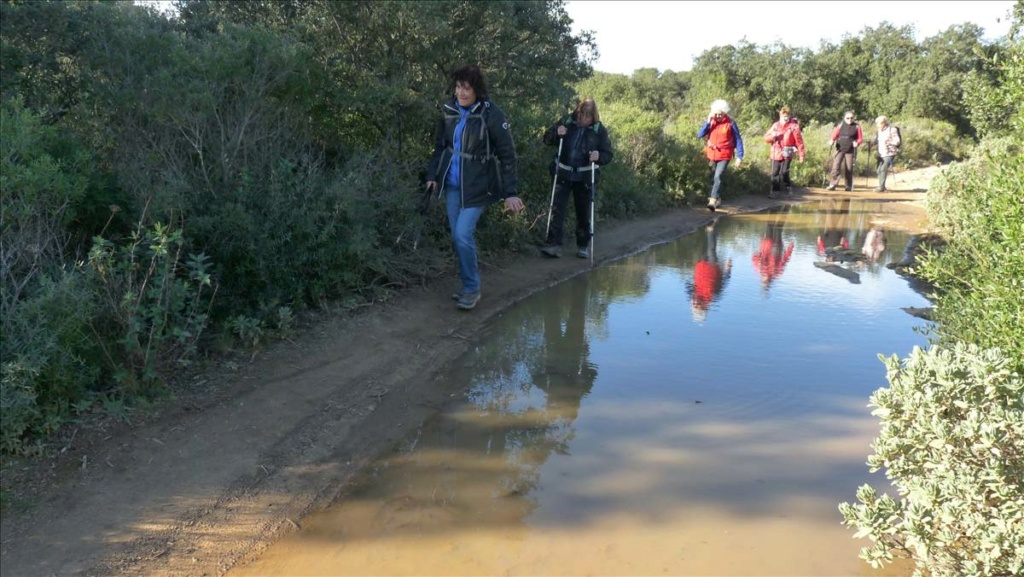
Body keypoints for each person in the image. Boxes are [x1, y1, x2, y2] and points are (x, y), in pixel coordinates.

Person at [426, 65, 524, 311]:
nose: (461, 92)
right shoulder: (449, 111)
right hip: (452, 185)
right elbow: (440, 148)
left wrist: (510, 192)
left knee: (462, 234)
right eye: (458, 87)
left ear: (477, 90)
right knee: (457, 237)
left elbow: (507, 155)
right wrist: (432, 176)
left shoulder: (492, 114)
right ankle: (468, 285)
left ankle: (471, 288)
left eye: (466, 88)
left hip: (479, 185)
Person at [541, 98, 613, 259]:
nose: (583, 118)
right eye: (581, 114)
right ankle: (553, 244)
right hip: (563, 173)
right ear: (578, 111)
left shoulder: (599, 130)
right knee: (556, 209)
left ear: (593, 115)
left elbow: (608, 154)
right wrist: (556, 133)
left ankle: (582, 245)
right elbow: (546, 138)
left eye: (587, 115)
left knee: (583, 212)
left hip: (585, 176)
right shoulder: (566, 121)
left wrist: (599, 155)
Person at [697, 99, 744, 211]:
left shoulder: (731, 123)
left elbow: (738, 140)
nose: (718, 116)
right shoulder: (711, 122)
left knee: (718, 176)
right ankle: (718, 199)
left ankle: (712, 200)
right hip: (711, 154)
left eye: (720, 114)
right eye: (716, 114)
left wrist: (740, 156)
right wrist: (708, 122)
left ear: (725, 113)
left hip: (725, 154)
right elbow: (700, 135)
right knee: (713, 177)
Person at [687, 219, 733, 324]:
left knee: (706, 248)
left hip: (701, 267)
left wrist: (692, 297)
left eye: (695, 307)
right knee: (711, 250)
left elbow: (687, 285)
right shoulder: (714, 296)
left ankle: (711, 228)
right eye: (699, 307)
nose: (697, 305)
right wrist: (728, 268)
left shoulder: (693, 296)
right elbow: (725, 281)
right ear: (705, 307)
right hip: (713, 268)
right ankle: (711, 229)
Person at [763, 106, 806, 198]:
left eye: (787, 116)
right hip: (776, 151)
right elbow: (766, 138)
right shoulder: (775, 125)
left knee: (784, 172)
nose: (785, 118)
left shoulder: (794, 127)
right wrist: (773, 136)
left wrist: (801, 155)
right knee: (774, 173)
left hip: (788, 152)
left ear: (790, 116)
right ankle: (775, 191)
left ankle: (788, 186)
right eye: (783, 116)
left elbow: (799, 141)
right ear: (780, 116)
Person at [752, 207, 794, 295]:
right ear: (769, 282)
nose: (764, 279)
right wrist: (790, 248)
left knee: (769, 224)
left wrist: (759, 260)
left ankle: (774, 209)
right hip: (776, 246)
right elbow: (785, 259)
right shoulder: (777, 272)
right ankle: (786, 209)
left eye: (763, 282)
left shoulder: (759, 269)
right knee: (778, 227)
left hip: (766, 242)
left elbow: (753, 257)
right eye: (766, 282)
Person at [827, 110, 864, 191]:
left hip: (850, 149)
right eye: (847, 118)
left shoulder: (857, 127)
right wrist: (832, 140)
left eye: (851, 118)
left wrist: (857, 143)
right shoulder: (840, 126)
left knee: (849, 168)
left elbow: (860, 139)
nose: (850, 120)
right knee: (835, 166)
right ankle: (833, 184)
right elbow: (835, 134)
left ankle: (848, 186)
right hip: (840, 148)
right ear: (844, 118)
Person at [873, 116, 901, 192]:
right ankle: (882, 186)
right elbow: (877, 140)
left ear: (884, 123)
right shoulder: (879, 131)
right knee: (878, 170)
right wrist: (872, 144)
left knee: (883, 169)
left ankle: (881, 187)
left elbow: (897, 141)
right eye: (877, 124)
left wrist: (889, 142)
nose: (878, 125)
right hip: (881, 152)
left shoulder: (892, 130)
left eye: (879, 123)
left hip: (890, 152)